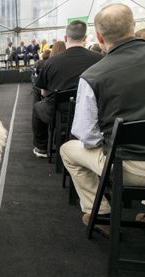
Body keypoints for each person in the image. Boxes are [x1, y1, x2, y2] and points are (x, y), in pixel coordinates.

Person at [60, 3, 145, 234]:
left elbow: (87, 137)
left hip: (130, 167)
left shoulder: (92, 77)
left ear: (98, 36)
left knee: (68, 149)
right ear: (133, 26)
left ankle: (101, 214)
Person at [32, 20, 103, 158]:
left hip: (58, 111)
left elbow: (44, 92)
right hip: (93, 113)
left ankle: (41, 148)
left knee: (37, 107)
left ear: (65, 38)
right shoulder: (100, 59)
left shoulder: (50, 63)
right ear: (85, 38)